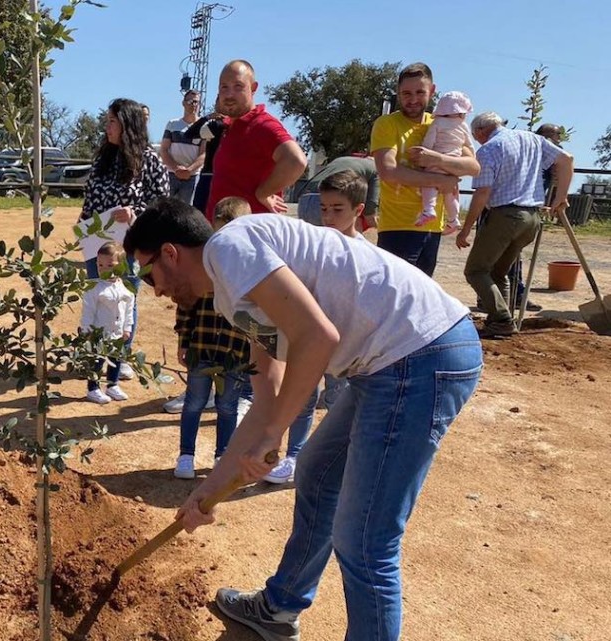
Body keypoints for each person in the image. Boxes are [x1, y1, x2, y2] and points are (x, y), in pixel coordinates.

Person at [124, 197, 482, 641]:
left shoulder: (229, 249)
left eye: (148, 273)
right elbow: (267, 396)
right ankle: (279, 607)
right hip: (385, 367)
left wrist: (275, 434)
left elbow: (318, 336)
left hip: (418, 356)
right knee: (317, 471)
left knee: (366, 541)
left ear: (171, 253)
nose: (155, 290)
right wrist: (208, 489)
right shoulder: (231, 290)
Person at [263, 170, 371, 485]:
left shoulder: (365, 255)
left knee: (339, 402)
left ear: (358, 211)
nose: (328, 216)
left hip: (344, 347)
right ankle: (294, 456)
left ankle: (340, 460)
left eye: (337, 209)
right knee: (303, 398)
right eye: (324, 208)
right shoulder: (314, 244)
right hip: (310, 342)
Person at [457, 112, 574, 338]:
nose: (476, 140)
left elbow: (482, 193)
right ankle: (501, 321)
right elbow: (566, 159)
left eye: (475, 136)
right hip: (531, 218)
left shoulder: (489, 149)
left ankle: (501, 319)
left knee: (475, 270)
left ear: (480, 131)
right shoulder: (532, 139)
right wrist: (561, 196)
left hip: (505, 217)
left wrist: (466, 228)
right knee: (499, 272)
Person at [79, 98, 170, 378]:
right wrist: (84, 224)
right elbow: (91, 196)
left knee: (124, 298)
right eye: (107, 121)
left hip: (129, 244)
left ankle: (121, 357)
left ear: (127, 124)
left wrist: (135, 213)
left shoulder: (149, 160)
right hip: (98, 244)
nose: (106, 126)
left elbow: (162, 201)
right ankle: (94, 357)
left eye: (112, 121)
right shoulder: (103, 158)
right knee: (97, 296)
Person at [371, 63, 480, 276]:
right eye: (406, 93)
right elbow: (389, 172)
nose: (413, 99)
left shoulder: (443, 122)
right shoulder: (387, 124)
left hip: (432, 229)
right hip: (397, 227)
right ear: (398, 92)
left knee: (422, 297)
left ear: (432, 91)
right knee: (396, 296)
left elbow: (474, 167)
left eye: (420, 92)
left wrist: (435, 158)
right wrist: (440, 181)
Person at [173, 196, 253, 479]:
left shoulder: (252, 267)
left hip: (235, 351)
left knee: (228, 406)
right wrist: (183, 339)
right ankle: (186, 455)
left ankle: (222, 455)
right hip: (201, 346)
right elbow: (186, 303)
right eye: (218, 231)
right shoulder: (203, 262)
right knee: (194, 402)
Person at [204, 60, 307, 220]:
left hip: (249, 235)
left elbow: (296, 161)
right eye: (224, 87)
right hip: (224, 232)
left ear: (253, 88)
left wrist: (263, 193)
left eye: (238, 86)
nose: (229, 94)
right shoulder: (230, 126)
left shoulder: (262, 124)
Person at [80, 242, 136, 404]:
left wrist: (127, 328)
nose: (103, 268)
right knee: (97, 361)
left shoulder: (125, 288)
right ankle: (93, 388)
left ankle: (112, 385)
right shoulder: (94, 288)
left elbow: (128, 309)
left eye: (109, 265)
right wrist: (87, 330)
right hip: (99, 333)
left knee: (116, 358)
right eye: (100, 265)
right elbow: (88, 311)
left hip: (117, 332)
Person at [416, 91, 474, 230]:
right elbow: (469, 144)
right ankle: (454, 218)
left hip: (437, 158)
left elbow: (429, 141)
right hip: (454, 163)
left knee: (429, 183)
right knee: (451, 191)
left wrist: (424, 153)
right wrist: (471, 155)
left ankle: (429, 209)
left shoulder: (437, 123)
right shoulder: (463, 126)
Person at [293, 155, 379, 229]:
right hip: (326, 199)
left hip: (304, 200)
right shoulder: (377, 169)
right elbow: (370, 210)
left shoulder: (342, 159)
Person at [160, 90, 205, 205]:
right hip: (171, 174)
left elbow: (203, 154)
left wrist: (189, 170)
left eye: (196, 102)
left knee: (186, 212)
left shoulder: (204, 127)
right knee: (165, 209)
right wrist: (176, 168)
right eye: (190, 101)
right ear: (183, 103)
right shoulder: (172, 124)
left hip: (192, 177)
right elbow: (164, 150)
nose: (193, 105)